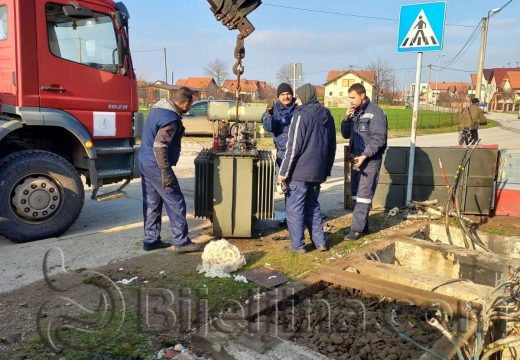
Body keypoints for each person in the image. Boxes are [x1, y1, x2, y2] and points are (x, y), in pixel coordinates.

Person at [138, 87, 204, 253]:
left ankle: (151, 240)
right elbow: (159, 147)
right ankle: (181, 242)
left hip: (144, 161)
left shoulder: (158, 109)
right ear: (186, 103)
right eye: (191, 104)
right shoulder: (170, 119)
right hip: (156, 165)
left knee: (152, 202)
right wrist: (166, 172)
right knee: (175, 200)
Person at [278, 83, 336, 253]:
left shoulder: (300, 116)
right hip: (317, 172)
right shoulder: (327, 115)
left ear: (305, 96)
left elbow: (293, 147)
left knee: (295, 208)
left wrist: (283, 173)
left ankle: (298, 246)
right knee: (313, 205)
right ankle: (320, 242)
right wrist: (326, 171)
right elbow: (331, 146)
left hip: (300, 172)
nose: (297, 99)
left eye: (299, 96)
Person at [341, 83, 388, 241]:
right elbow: (346, 135)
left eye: (353, 97)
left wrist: (365, 155)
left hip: (369, 161)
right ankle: (363, 226)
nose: (351, 101)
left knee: (363, 195)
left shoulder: (375, 112)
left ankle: (356, 230)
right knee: (356, 195)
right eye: (350, 98)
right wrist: (346, 118)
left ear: (362, 95)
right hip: (356, 159)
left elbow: (379, 139)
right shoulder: (356, 112)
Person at [263, 83, 297, 226]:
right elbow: (268, 127)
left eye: (288, 94)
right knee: (286, 186)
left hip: (296, 151)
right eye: (282, 94)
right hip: (282, 152)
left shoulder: (298, 108)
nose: (286, 97)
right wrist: (270, 115)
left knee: (296, 185)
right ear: (278, 96)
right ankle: (290, 218)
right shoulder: (273, 109)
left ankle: (296, 218)